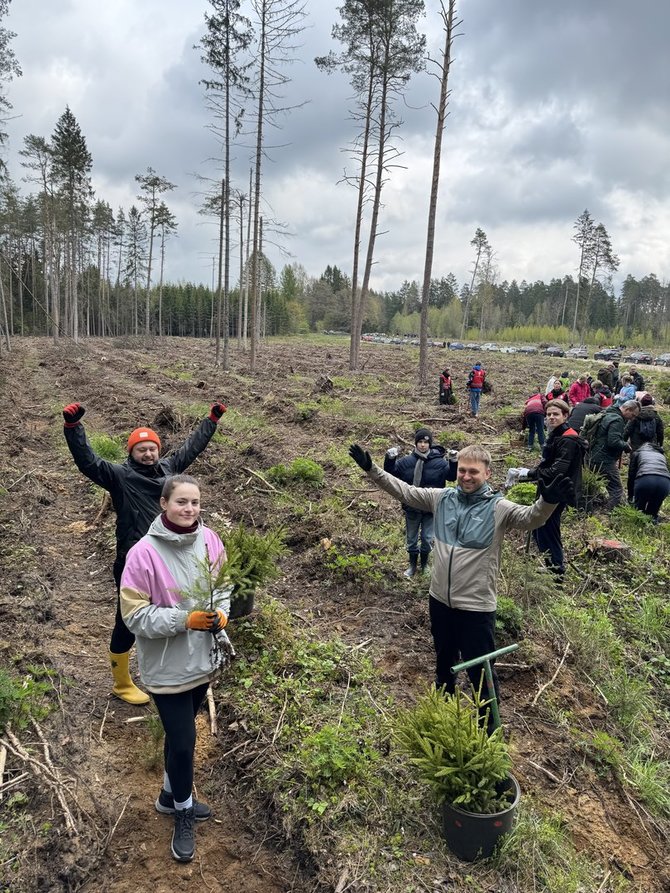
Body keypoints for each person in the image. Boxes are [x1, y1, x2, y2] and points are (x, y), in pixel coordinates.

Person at [349, 442, 572, 732]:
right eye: (462, 471)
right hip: (439, 601)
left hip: (476, 609)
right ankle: (444, 720)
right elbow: (403, 490)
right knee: (444, 664)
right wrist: (371, 469)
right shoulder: (441, 498)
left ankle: (489, 737)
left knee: (481, 675)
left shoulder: (498, 507)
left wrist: (548, 501)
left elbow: (531, 518)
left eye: (474, 472)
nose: (466, 477)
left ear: (488, 473)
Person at [62, 400, 227, 703]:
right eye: (142, 449)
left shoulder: (169, 469)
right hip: (134, 560)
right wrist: (73, 428)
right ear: (131, 452)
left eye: (152, 448)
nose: (148, 453)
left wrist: (211, 421)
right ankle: (122, 681)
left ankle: (178, 676)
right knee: (128, 618)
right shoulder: (119, 476)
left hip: (172, 556)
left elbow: (192, 447)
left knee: (178, 611)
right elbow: (88, 462)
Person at [120, 474, 231, 862]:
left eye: (195, 502)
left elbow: (225, 586)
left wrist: (220, 614)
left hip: (201, 661)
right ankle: (183, 810)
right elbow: (134, 616)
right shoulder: (142, 554)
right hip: (166, 667)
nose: (189, 509)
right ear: (164, 504)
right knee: (184, 742)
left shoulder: (211, 540)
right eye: (181, 502)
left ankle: (170, 795)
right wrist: (185, 620)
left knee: (178, 736)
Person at [526, 400, 587, 581]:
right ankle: (553, 565)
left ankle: (557, 571)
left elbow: (557, 470)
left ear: (565, 416)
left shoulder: (568, 439)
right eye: (549, 414)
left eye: (556, 414)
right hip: (551, 489)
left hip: (558, 491)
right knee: (541, 527)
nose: (551, 418)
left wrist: (530, 473)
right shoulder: (557, 435)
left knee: (547, 528)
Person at [384, 428, 457, 578]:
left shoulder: (439, 462)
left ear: (430, 444)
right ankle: (412, 565)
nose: (423, 445)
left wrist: (454, 462)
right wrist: (390, 459)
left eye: (426, 442)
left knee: (426, 538)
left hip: (431, 508)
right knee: (411, 538)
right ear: (415, 443)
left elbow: (451, 477)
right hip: (412, 507)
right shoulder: (407, 462)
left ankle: (424, 565)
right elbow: (391, 474)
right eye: (420, 442)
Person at [587, 399, 640, 508]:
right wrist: (626, 445)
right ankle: (608, 512)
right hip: (604, 459)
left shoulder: (608, 412)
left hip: (592, 455)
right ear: (627, 409)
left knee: (593, 484)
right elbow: (613, 441)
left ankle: (590, 505)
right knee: (616, 489)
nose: (633, 418)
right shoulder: (617, 420)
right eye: (633, 415)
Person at [627, 432, 670, 523]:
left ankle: (636, 531)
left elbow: (631, 475)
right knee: (652, 513)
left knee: (639, 511)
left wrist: (630, 495)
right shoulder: (661, 455)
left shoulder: (638, 453)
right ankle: (652, 530)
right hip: (665, 482)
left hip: (645, 479)